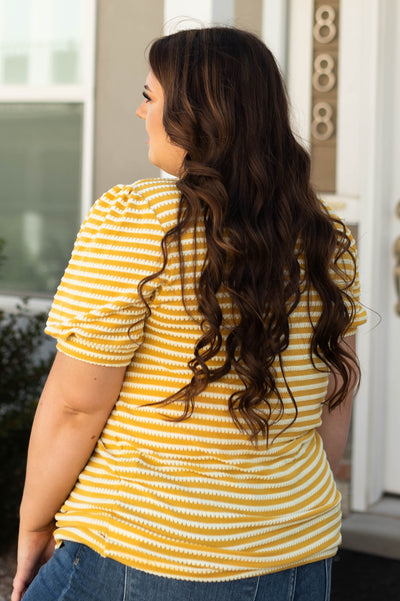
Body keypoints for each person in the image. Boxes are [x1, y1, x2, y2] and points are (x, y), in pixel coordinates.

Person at [12, 27, 366, 601]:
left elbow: (77, 406)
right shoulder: (324, 235)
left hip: (144, 551)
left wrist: (32, 524)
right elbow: (335, 396)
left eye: (150, 96)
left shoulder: (138, 222)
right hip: (300, 554)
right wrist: (273, 509)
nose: (138, 110)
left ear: (197, 115)